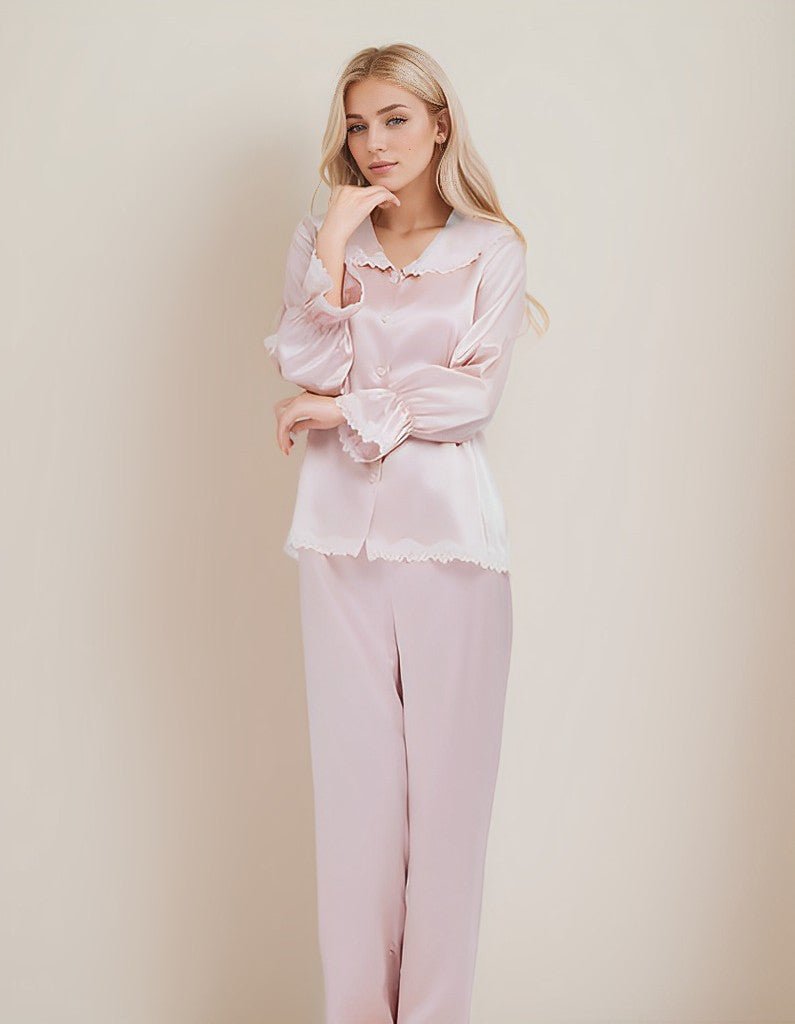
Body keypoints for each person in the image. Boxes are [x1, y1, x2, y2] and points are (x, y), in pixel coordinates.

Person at [263, 42, 548, 1024]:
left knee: (449, 815)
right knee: (357, 811)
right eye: (356, 124)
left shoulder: (491, 250)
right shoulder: (322, 242)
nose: (374, 142)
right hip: (338, 546)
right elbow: (304, 354)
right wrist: (337, 250)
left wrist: (340, 413)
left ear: (438, 127)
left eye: (393, 119)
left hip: (454, 551)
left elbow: (468, 395)